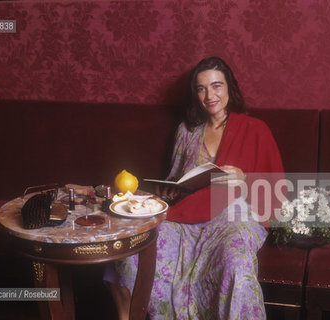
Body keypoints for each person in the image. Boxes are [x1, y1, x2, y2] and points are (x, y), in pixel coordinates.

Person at [107, 56, 284, 319]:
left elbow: (275, 193)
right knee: (134, 250)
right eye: (201, 88)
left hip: (234, 217)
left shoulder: (256, 129)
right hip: (186, 217)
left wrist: (245, 179)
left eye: (216, 86)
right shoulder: (186, 131)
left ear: (229, 88)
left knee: (235, 262)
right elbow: (178, 181)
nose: (210, 95)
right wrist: (172, 191)